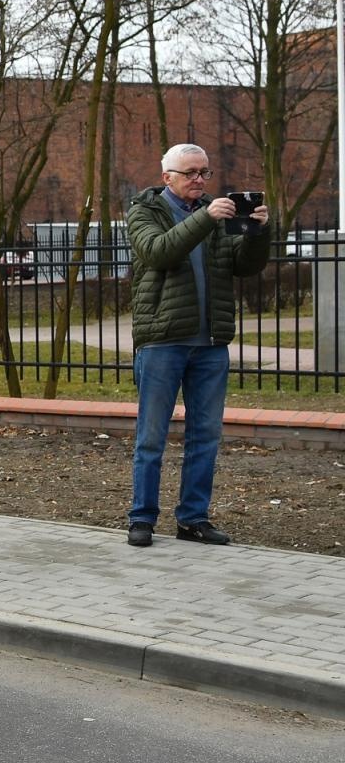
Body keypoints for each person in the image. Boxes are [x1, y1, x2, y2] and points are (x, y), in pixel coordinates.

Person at [125, 143, 271, 548]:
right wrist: (206, 218)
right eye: (190, 172)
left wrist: (258, 231)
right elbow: (158, 252)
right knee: (152, 437)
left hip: (210, 344)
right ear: (167, 176)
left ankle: (193, 519)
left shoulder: (216, 213)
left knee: (205, 436)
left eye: (204, 172)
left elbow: (244, 266)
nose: (199, 180)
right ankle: (141, 518)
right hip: (162, 342)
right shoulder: (144, 211)